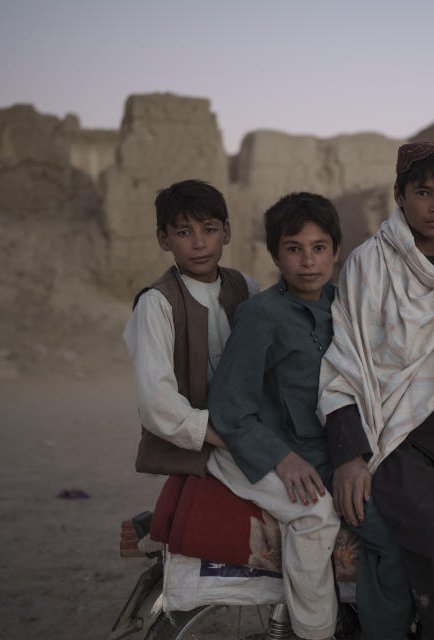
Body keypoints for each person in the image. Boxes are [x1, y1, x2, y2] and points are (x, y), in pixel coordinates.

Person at [319, 142, 434, 640]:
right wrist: (349, 457)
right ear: (399, 195)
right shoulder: (369, 265)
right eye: (423, 192)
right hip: (389, 437)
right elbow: (346, 362)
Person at [207, 192, 342, 640]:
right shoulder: (260, 316)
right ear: (275, 254)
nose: (308, 261)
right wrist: (282, 459)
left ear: (335, 251)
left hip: (325, 449)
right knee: (315, 513)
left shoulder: (345, 308)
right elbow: (229, 409)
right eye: (293, 248)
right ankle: (314, 632)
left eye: (319, 247)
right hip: (265, 449)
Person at [123, 178, 258, 479]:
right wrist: (226, 440)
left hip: (246, 430)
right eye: (184, 233)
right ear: (163, 239)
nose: (199, 243)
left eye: (209, 230)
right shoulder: (157, 303)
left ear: (226, 232)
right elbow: (156, 401)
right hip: (201, 445)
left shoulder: (245, 287)